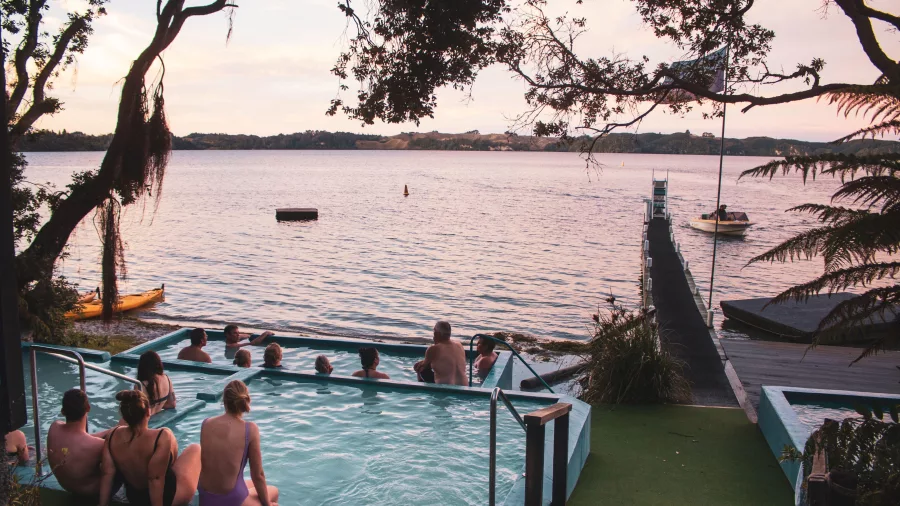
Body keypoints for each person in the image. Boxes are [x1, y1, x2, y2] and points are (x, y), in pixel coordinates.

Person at [99, 390, 201, 506]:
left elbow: (107, 473)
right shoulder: (161, 436)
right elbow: (155, 480)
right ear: (148, 411)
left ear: (124, 416)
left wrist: (102, 504)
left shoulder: (112, 435)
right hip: (166, 499)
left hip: (135, 498)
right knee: (195, 449)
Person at [198, 380, 279, 506]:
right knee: (273, 491)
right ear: (246, 401)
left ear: (224, 401)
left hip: (206, 498)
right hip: (231, 500)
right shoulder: (250, 429)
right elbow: (258, 475)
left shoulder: (206, 423)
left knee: (250, 485)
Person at [47, 389, 113, 496]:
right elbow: (86, 441)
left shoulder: (54, 428)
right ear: (88, 408)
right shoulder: (98, 445)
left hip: (66, 486)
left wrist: (111, 431)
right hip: (92, 492)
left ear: (63, 411)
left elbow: (81, 439)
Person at [413, 321, 467, 386]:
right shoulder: (459, 345)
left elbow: (420, 367)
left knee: (422, 369)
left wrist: (419, 368)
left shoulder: (433, 349)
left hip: (445, 390)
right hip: (464, 388)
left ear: (437, 333)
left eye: (434, 332)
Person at [137, 351, 176, 416]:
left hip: (144, 421)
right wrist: (159, 405)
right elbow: (172, 404)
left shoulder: (140, 385)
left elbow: (138, 412)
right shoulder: (167, 378)